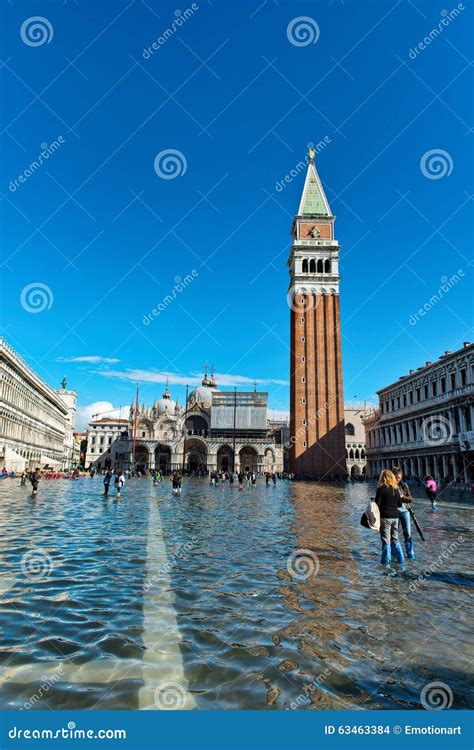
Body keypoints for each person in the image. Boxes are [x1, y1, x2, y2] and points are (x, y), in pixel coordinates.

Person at [375, 469, 404, 568]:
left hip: (385, 517)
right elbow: (400, 504)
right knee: (395, 539)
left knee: (386, 541)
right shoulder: (396, 489)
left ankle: (386, 562)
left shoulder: (381, 489)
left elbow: (377, 505)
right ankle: (401, 560)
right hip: (396, 517)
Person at [393, 467, 415, 559]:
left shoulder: (404, 485)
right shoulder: (389, 486)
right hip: (394, 513)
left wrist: (402, 497)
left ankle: (410, 554)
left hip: (405, 512)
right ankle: (396, 555)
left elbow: (410, 499)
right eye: (395, 477)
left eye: (399, 477)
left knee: (408, 534)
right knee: (394, 536)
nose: (397, 479)